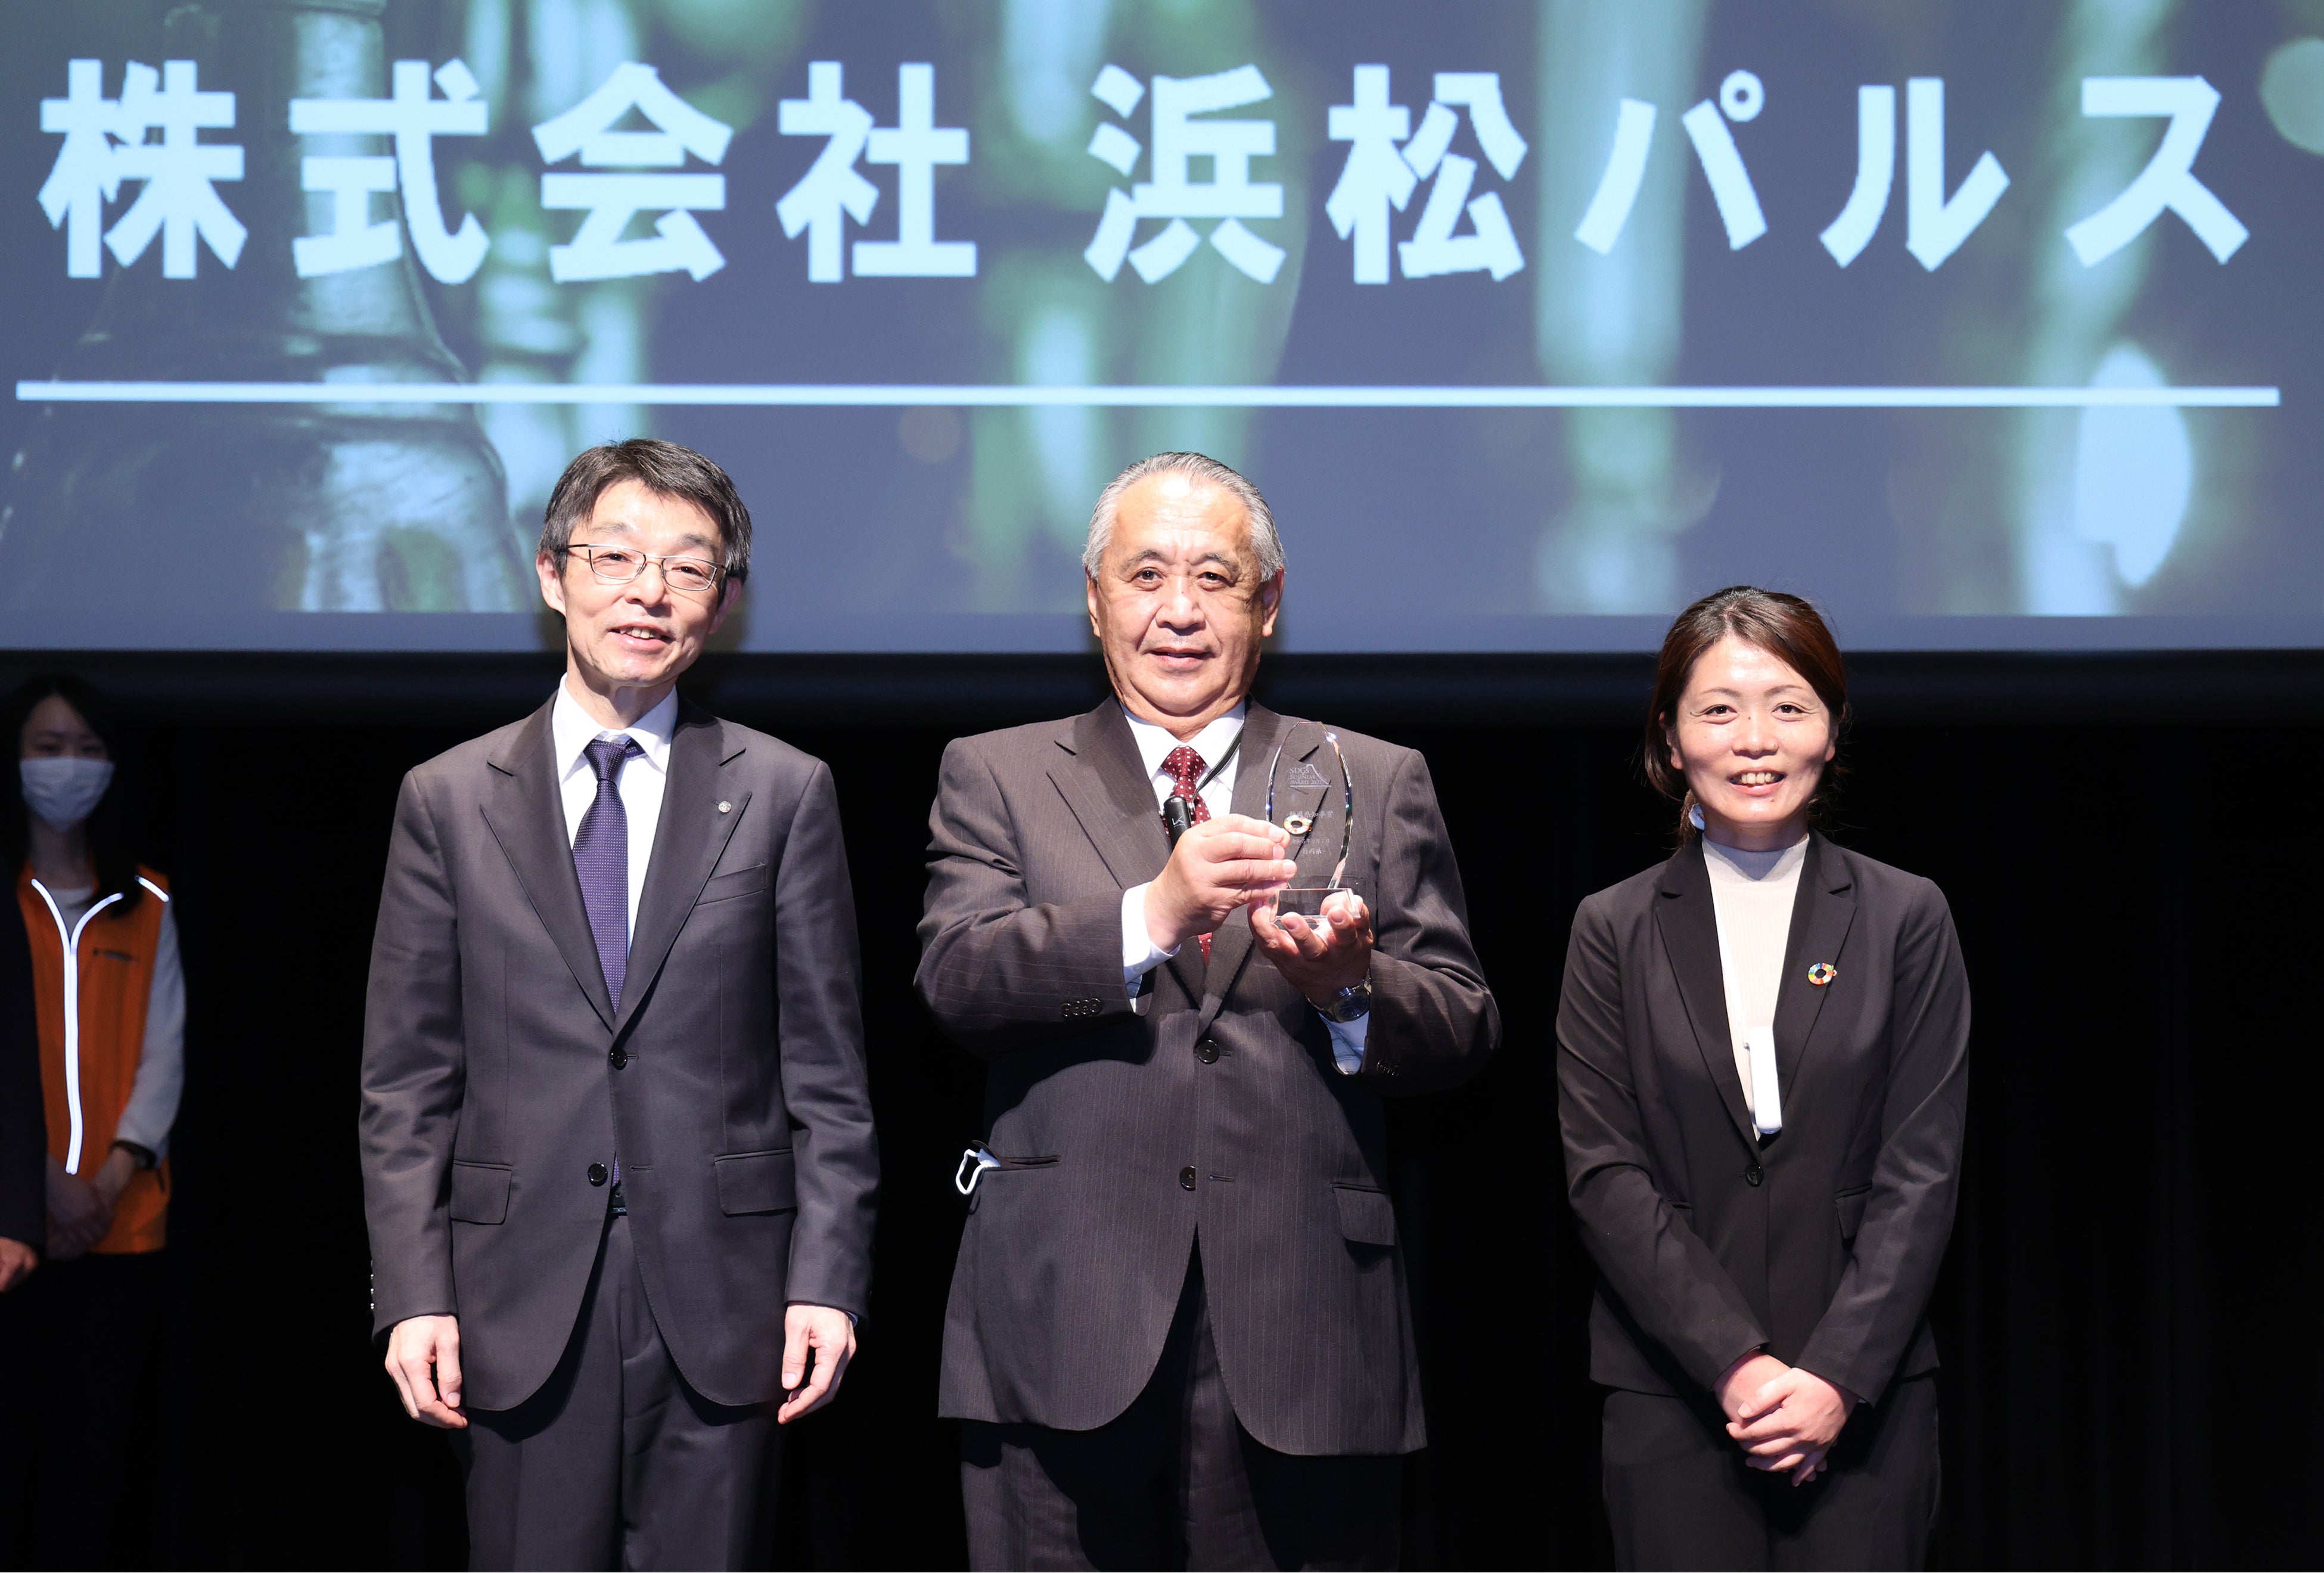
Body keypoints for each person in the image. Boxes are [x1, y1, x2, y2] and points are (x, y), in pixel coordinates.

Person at [918, 451, 1500, 1571]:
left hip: (1305, 1324)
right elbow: (958, 979)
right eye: (1145, 575)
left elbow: (1465, 1022)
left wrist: (1347, 995)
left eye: (1215, 579)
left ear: (1267, 605)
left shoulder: (1374, 779)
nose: (1178, 610)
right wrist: (1150, 912)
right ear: (1095, 601)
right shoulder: (995, 774)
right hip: (1062, 1315)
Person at [359, 439, 879, 1571]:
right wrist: (411, 1295)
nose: (649, 591)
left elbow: (828, 1076)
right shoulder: (446, 801)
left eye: (688, 568)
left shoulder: (784, 793)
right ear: (552, 574)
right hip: (510, 1303)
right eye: (618, 557)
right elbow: (406, 1083)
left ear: (724, 603)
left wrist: (827, 1286)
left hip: (730, 1305)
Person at [1556, 587, 1969, 1570]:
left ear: (1832, 731)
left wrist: (1832, 1377)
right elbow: (1604, 1176)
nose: (1755, 740)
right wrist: (1736, 1364)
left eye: (1789, 706)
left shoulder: (1907, 915)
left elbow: (1924, 1170)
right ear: (1670, 738)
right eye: (1718, 709)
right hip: (1673, 1395)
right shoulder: (1610, 928)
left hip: (1864, 1402)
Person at [0, 672, 185, 1569]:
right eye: (47, 747)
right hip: (10, 1227)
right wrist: (36, 1182)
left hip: (120, 1228)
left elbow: (165, 1053)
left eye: (86, 749)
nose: (66, 768)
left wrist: (105, 1182)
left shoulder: (147, 900)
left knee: (93, 1464)